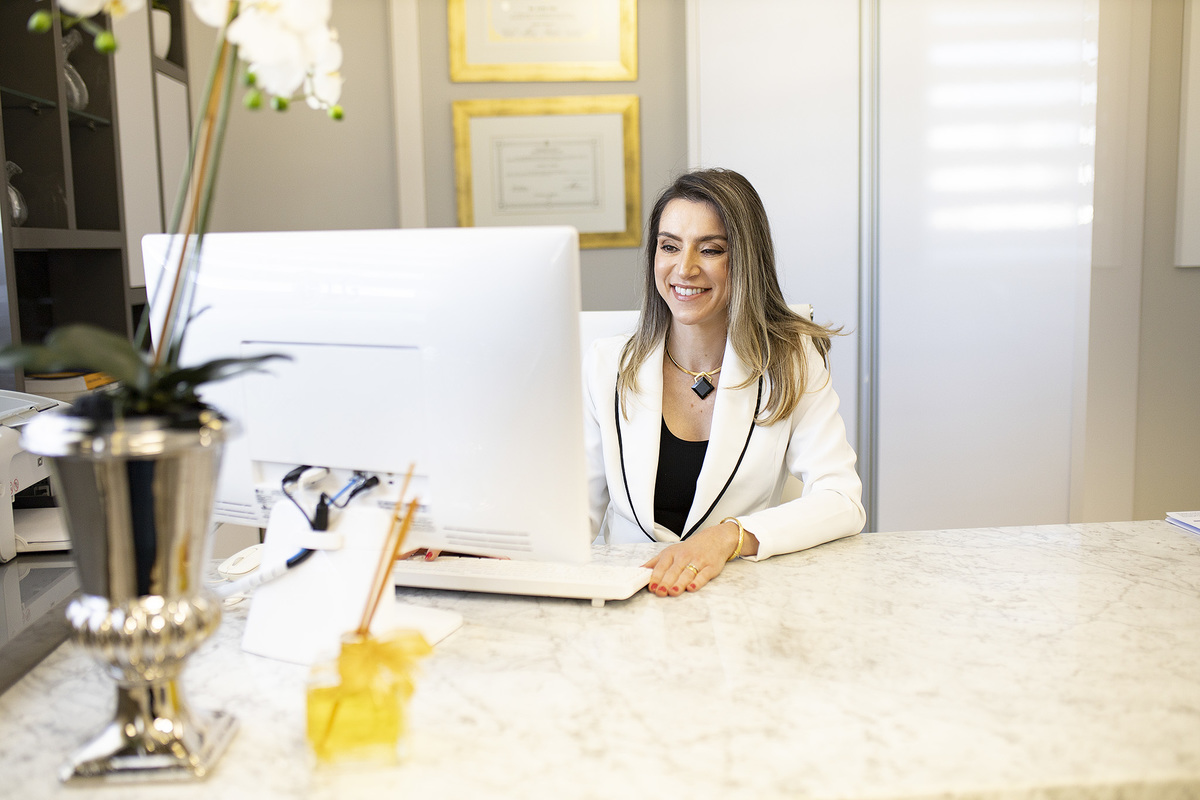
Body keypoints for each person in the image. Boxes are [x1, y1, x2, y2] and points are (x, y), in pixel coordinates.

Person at [582, 168, 865, 597]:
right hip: (629, 596)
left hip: (737, 598)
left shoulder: (791, 362)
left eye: (710, 249)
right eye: (669, 246)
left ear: (746, 260)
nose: (685, 268)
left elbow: (841, 499)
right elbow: (573, 514)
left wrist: (729, 536)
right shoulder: (606, 365)